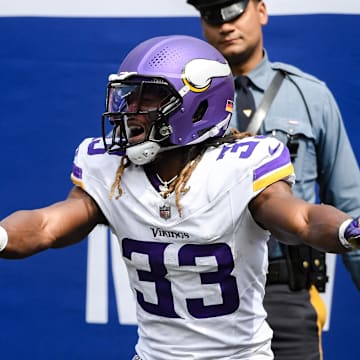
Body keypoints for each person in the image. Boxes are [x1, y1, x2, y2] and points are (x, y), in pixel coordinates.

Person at [0, 34, 359, 360]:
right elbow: (46, 225)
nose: (131, 109)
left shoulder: (239, 166)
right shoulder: (112, 168)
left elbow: (303, 220)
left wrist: (347, 229)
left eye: (150, 96)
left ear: (200, 105)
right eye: (130, 95)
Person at [186, 0, 360, 359]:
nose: (224, 24)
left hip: (286, 291)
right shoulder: (184, 103)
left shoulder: (310, 96)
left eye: (233, 9)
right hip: (208, 291)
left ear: (261, 10)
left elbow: (350, 203)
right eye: (210, 14)